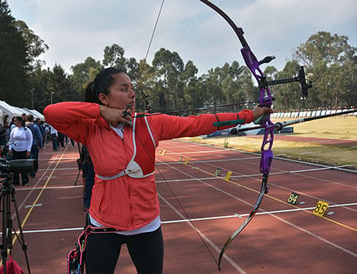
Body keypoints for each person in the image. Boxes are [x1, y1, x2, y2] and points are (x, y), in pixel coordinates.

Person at [43, 67, 271, 274]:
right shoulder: (90, 128)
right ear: (104, 98)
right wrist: (100, 112)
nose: (132, 94)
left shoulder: (150, 124)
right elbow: (52, 112)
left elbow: (199, 123)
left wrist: (249, 115)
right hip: (103, 225)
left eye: (132, 88)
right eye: (124, 89)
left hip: (146, 225)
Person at [8, 116, 33, 186]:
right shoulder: (13, 130)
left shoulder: (26, 130)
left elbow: (30, 140)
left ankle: (25, 180)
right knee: (15, 166)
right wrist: (10, 148)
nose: (14, 123)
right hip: (15, 150)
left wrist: (28, 150)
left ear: (20, 122)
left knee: (24, 166)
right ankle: (16, 181)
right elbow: (11, 140)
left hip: (24, 150)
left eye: (16, 121)